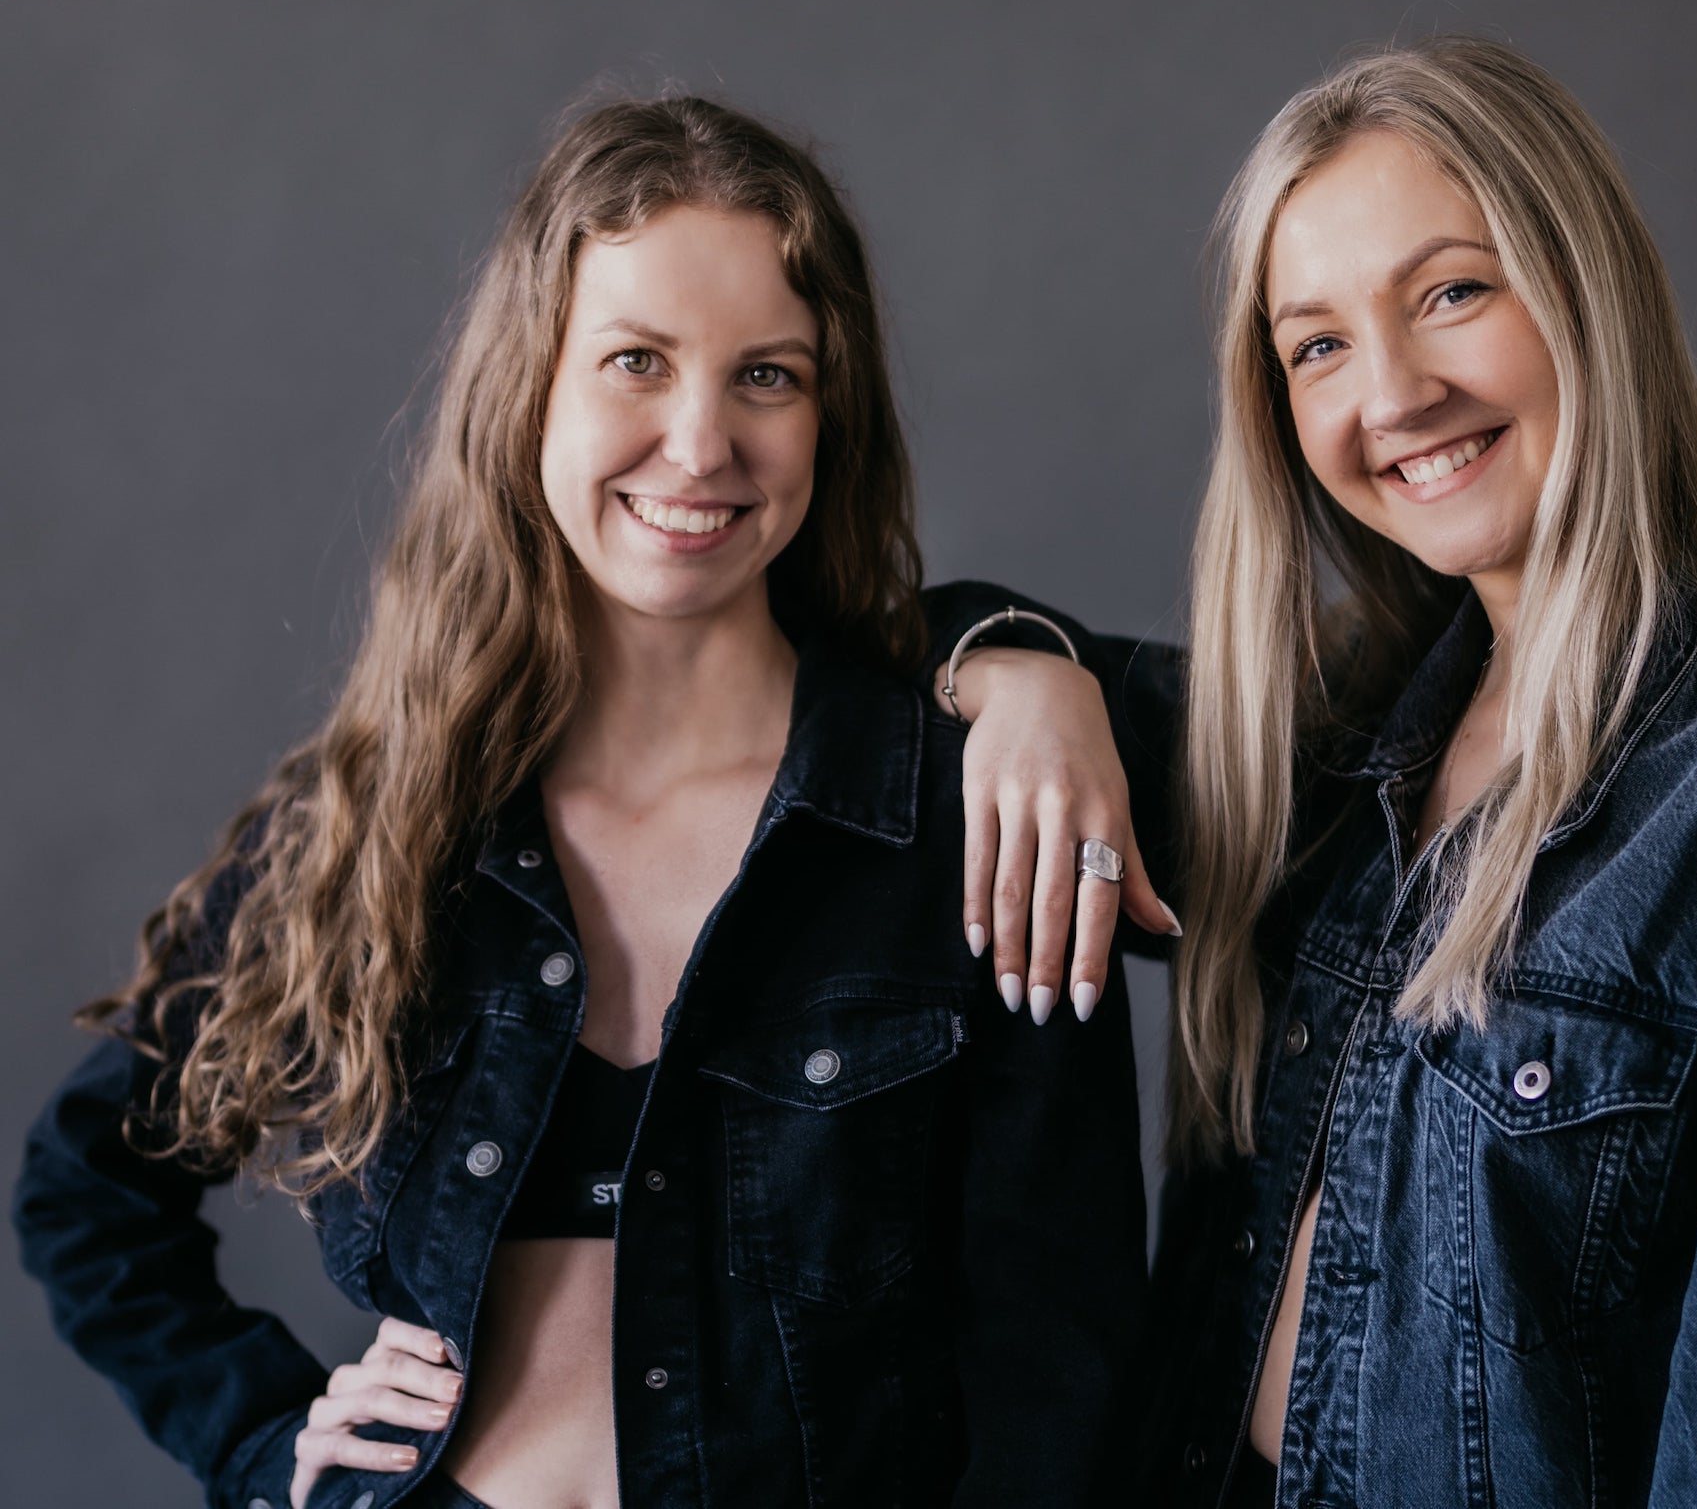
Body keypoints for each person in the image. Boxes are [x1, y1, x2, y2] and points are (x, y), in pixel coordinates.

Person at [14, 95, 1156, 1509]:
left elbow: (1061, 1359)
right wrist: (265, 1445)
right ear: (529, 390)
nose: (698, 444)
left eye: (768, 377)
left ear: (830, 415)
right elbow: (86, 1188)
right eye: (635, 362)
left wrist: (1028, 662)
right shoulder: (377, 822)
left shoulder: (971, 811)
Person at [935, 36, 1697, 1507]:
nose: (1391, 395)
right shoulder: (1330, 759)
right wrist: (1017, 672)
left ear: (1586, 291)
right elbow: (897, 659)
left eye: (1452, 292)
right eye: (1316, 342)